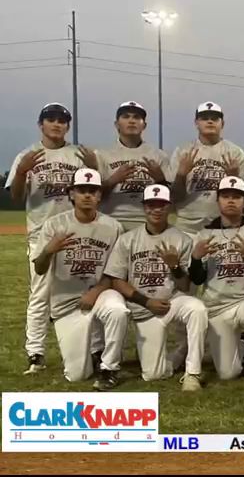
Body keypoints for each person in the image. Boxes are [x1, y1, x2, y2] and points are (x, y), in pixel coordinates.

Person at [6, 102, 98, 375]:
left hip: (77, 234)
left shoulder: (77, 155)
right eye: (51, 119)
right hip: (40, 233)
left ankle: (95, 349)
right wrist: (22, 172)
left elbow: (95, 192)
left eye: (62, 120)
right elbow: (16, 197)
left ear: (68, 126)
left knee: (84, 291)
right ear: (41, 124)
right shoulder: (28, 155)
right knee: (40, 295)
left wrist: (94, 167)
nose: (57, 124)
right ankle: (35, 353)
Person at [103, 184, 208, 391]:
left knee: (197, 308)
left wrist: (175, 266)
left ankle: (193, 373)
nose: (156, 209)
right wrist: (146, 302)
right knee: (153, 375)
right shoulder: (128, 240)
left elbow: (185, 285)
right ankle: (180, 352)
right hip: (144, 308)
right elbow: (117, 280)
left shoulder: (182, 239)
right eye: (151, 205)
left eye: (161, 205)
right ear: (144, 207)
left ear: (169, 207)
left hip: (173, 301)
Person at [30, 169, 127, 389]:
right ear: (71, 194)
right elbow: (39, 268)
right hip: (66, 304)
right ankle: (93, 354)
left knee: (118, 310)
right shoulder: (55, 225)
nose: (87, 196)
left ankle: (109, 368)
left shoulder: (113, 227)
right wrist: (48, 251)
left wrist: (95, 292)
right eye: (82, 190)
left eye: (92, 191)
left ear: (99, 196)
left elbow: (115, 272)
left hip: (100, 293)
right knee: (76, 375)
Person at [188, 176, 244, 389]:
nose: (231, 201)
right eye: (226, 196)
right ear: (218, 201)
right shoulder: (204, 234)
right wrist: (196, 258)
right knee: (228, 374)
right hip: (217, 306)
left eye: (236, 197)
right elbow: (197, 279)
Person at [171, 102, 244, 235]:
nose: (210, 121)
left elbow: (243, 200)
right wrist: (181, 175)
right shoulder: (183, 151)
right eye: (205, 118)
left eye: (214, 118)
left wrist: (234, 178)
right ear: (196, 123)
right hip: (187, 226)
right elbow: (174, 197)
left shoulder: (234, 152)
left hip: (222, 226)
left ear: (222, 123)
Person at [98, 101, 171, 231]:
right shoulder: (101, 155)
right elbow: (93, 197)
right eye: (126, 117)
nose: (131, 121)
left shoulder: (159, 156)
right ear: (116, 124)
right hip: (111, 222)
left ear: (144, 125)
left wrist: (160, 180)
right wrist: (113, 180)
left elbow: (172, 199)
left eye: (137, 117)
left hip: (148, 222)